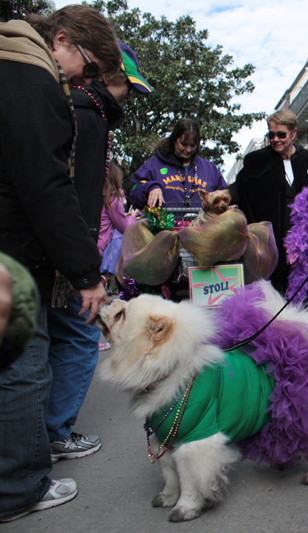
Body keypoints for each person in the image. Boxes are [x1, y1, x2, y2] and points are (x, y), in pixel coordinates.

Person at [0, 5, 118, 521]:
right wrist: (85, 273)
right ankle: (19, 488)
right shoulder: (33, 81)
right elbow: (47, 189)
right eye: (89, 68)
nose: (85, 81)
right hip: (14, 253)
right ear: (62, 39)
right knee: (25, 368)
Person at [46, 40, 150, 464]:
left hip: (57, 251)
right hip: (69, 256)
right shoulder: (89, 118)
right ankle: (53, 431)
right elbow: (70, 196)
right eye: (130, 88)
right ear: (111, 76)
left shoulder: (70, 107)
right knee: (79, 336)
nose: (130, 98)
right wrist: (85, 272)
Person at [228, 109, 308, 295]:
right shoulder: (258, 160)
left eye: (281, 134)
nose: (275, 139)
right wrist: (221, 195)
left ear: (293, 133)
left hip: (304, 239)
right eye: (271, 134)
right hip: (271, 241)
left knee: (303, 288)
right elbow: (241, 187)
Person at [129, 118, 226, 212]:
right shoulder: (154, 164)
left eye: (192, 145)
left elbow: (225, 197)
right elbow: (134, 190)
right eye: (183, 144)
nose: (188, 150)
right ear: (175, 139)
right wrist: (150, 187)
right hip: (164, 227)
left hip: (203, 227)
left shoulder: (210, 169)